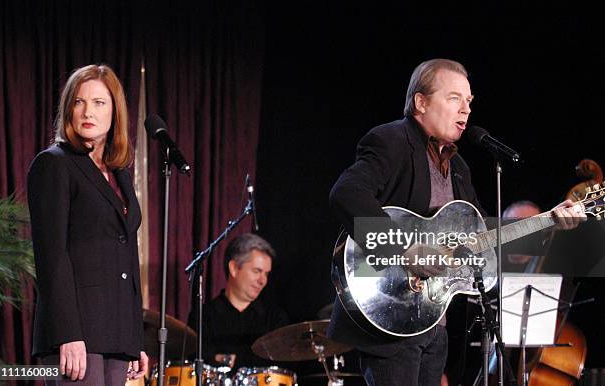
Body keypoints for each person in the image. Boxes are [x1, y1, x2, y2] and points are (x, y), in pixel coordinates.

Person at [327, 59, 584, 386]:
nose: (466, 109)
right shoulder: (390, 141)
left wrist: (551, 222)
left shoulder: (459, 166)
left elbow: (484, 238)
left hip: (436, 323)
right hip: (390, 314)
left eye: (469, 101)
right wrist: (406, 249)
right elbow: (345, 194)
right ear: (421, 102)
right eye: (454, 98)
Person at [28, 65, 147, 385]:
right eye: (79, 102)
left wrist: (135, 337)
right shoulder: (54, 163)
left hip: (117, 332)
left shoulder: (120, 172)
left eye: (98, 102)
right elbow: (52, 255)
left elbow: (126, 255)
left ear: (115, 112)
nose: (87, 111)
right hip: (77, 334)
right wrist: (68, 334)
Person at [189, 233, 288, 369]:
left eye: (266, 274)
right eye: (257, 271)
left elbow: (281, 362)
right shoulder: (202, 316)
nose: (263, 280)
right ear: (234, 268)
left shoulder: (274, 318)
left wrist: (227, 358)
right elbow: (197, 361)